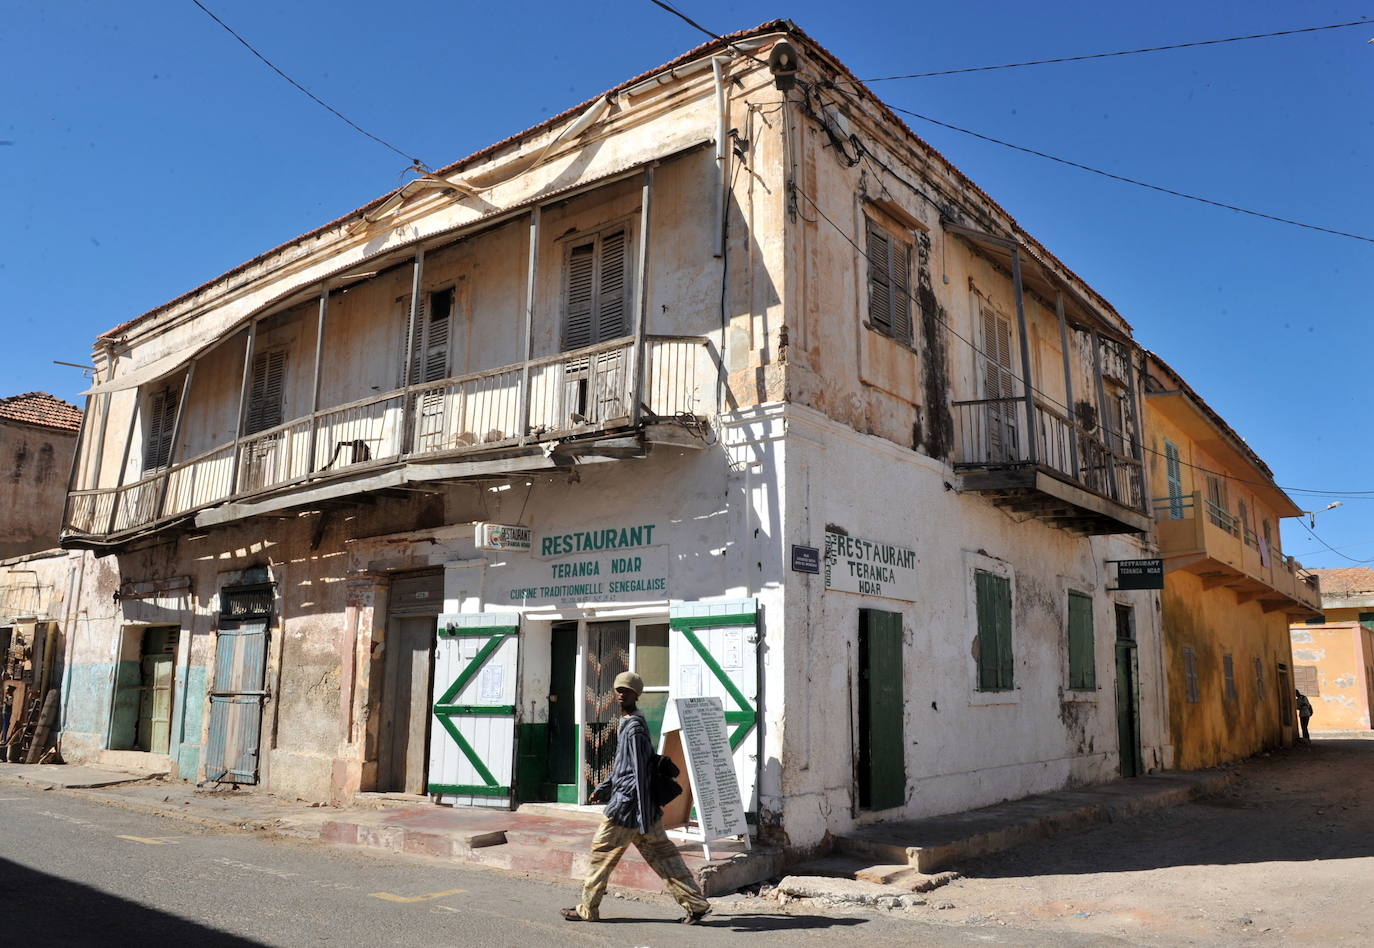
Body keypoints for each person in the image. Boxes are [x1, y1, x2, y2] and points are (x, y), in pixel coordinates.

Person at [561, 671, 710, 925]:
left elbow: (640, 773)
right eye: (618, 690)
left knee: (601, 854)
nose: (620, 695)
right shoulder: (632, 721)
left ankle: (588, 908)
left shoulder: (633, 728)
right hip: (641, 810)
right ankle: (696, 905)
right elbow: (624, 766)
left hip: (628, 809)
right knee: (664, 857)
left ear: (636, 695)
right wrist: (606, 786)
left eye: (626, 691)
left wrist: (638, 810)